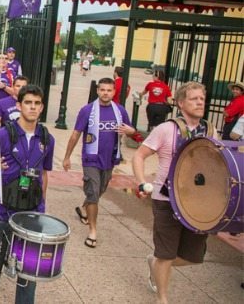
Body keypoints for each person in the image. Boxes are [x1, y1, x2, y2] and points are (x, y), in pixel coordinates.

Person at [132, 82, 216, 304]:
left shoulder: (209, 130)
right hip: (166, 200)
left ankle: (155, 261)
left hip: (195, 202)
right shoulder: (166, 129)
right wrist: (141, 183)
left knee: (193, 257)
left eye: (202, 99)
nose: (200, 102)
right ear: (180, 103)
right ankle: (162, 297)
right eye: (194, 99)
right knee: (166, 253)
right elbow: (139, 155)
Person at [0, 85, 54, 303]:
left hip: (32, 208)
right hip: (3, 205)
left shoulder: (47, 139)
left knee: (30, 262)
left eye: (37, 103)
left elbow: (45, 174)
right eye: (28, 102)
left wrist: (42, 204)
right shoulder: (3, 135)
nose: (32, 107)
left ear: (41, 107)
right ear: (19, 106)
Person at [63, 77, 136, 248]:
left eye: (109, 90)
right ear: (97, 91)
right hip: (91, 159)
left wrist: (130, 130)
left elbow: (132, 132)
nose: (105, 93)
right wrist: (67, 157)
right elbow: (75, 134)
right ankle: (93, 231)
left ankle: (83, 208)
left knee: (100, 190)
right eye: (102, 90)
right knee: (94, 193)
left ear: (114, 92)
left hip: (110, 159)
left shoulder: (120, 111)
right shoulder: (87, 110)